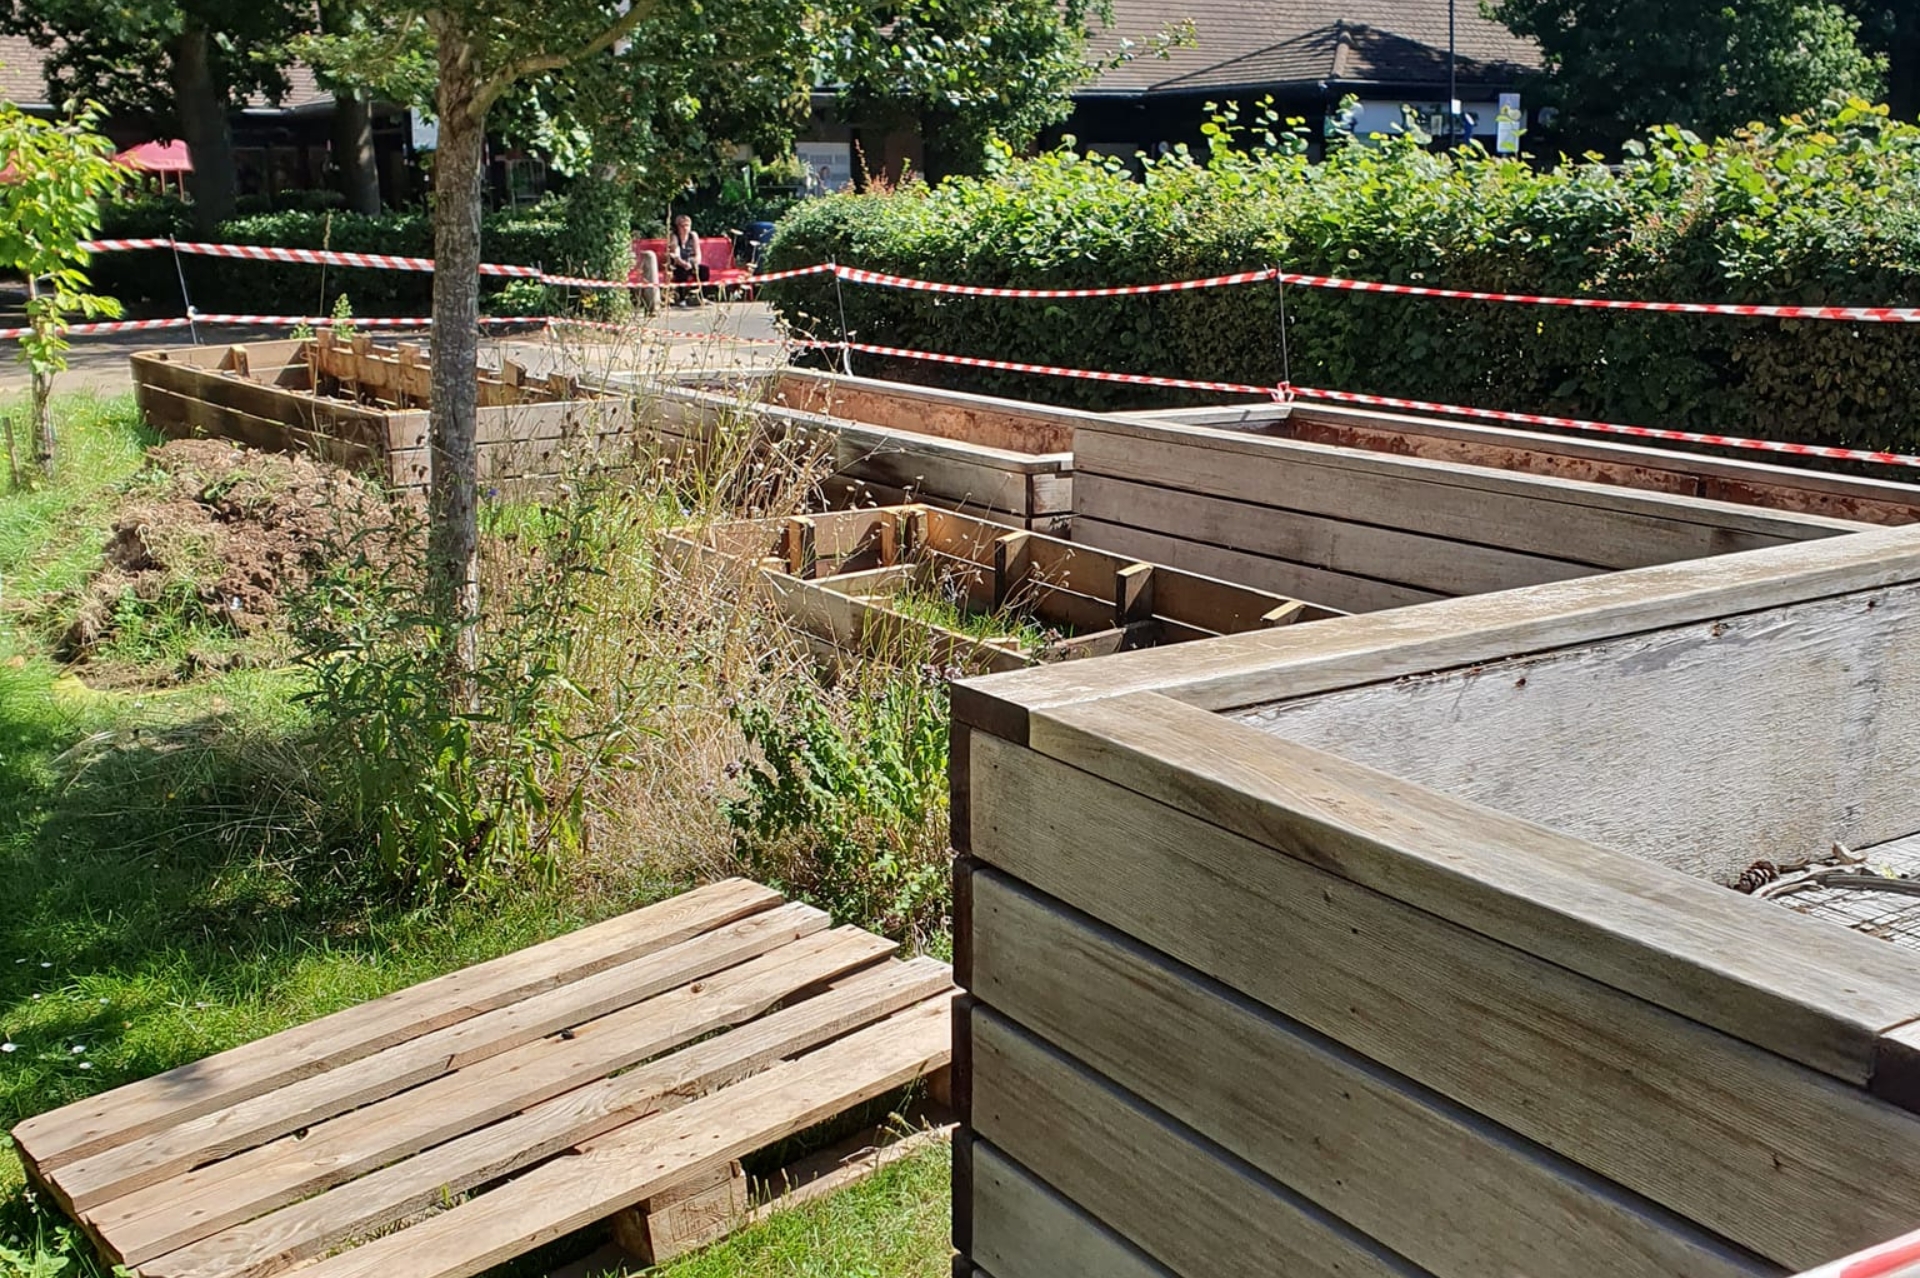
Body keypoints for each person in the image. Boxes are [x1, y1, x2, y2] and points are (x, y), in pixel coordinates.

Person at [666, 214, 707, 306]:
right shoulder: (674, 237)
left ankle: (700, 296)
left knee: (704, 271)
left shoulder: (693, 235)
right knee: (681, 272)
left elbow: (698, 252)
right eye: (682, 225)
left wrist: (695, 263)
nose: (685, 228)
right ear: (677, 226)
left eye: (687, 225)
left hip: (691, 261)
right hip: (678, 263)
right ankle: (682, 298)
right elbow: (676, 255)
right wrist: (683, 264)